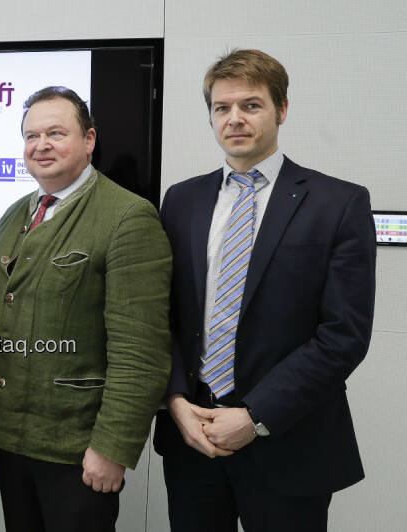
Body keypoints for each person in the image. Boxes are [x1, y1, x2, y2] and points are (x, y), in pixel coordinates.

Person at [152, 49, 376, 532]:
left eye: (251, 105)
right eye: (221, 107)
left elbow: (344, 334)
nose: (234, 119)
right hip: (193, 439)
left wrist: (253, 416)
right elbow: (162, 317)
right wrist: (174, 401)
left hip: (290, 439)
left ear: (282, 109)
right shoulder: (181, 200)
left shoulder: (339, 203)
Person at [0, 86, 172, 531]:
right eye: (31, 136)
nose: (40, 145)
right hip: (11, 444)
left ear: (88, 140)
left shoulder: (128, 217)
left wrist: (113, 448)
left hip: (78, 451)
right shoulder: (14, 215)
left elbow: (140, 353)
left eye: (55, 133)